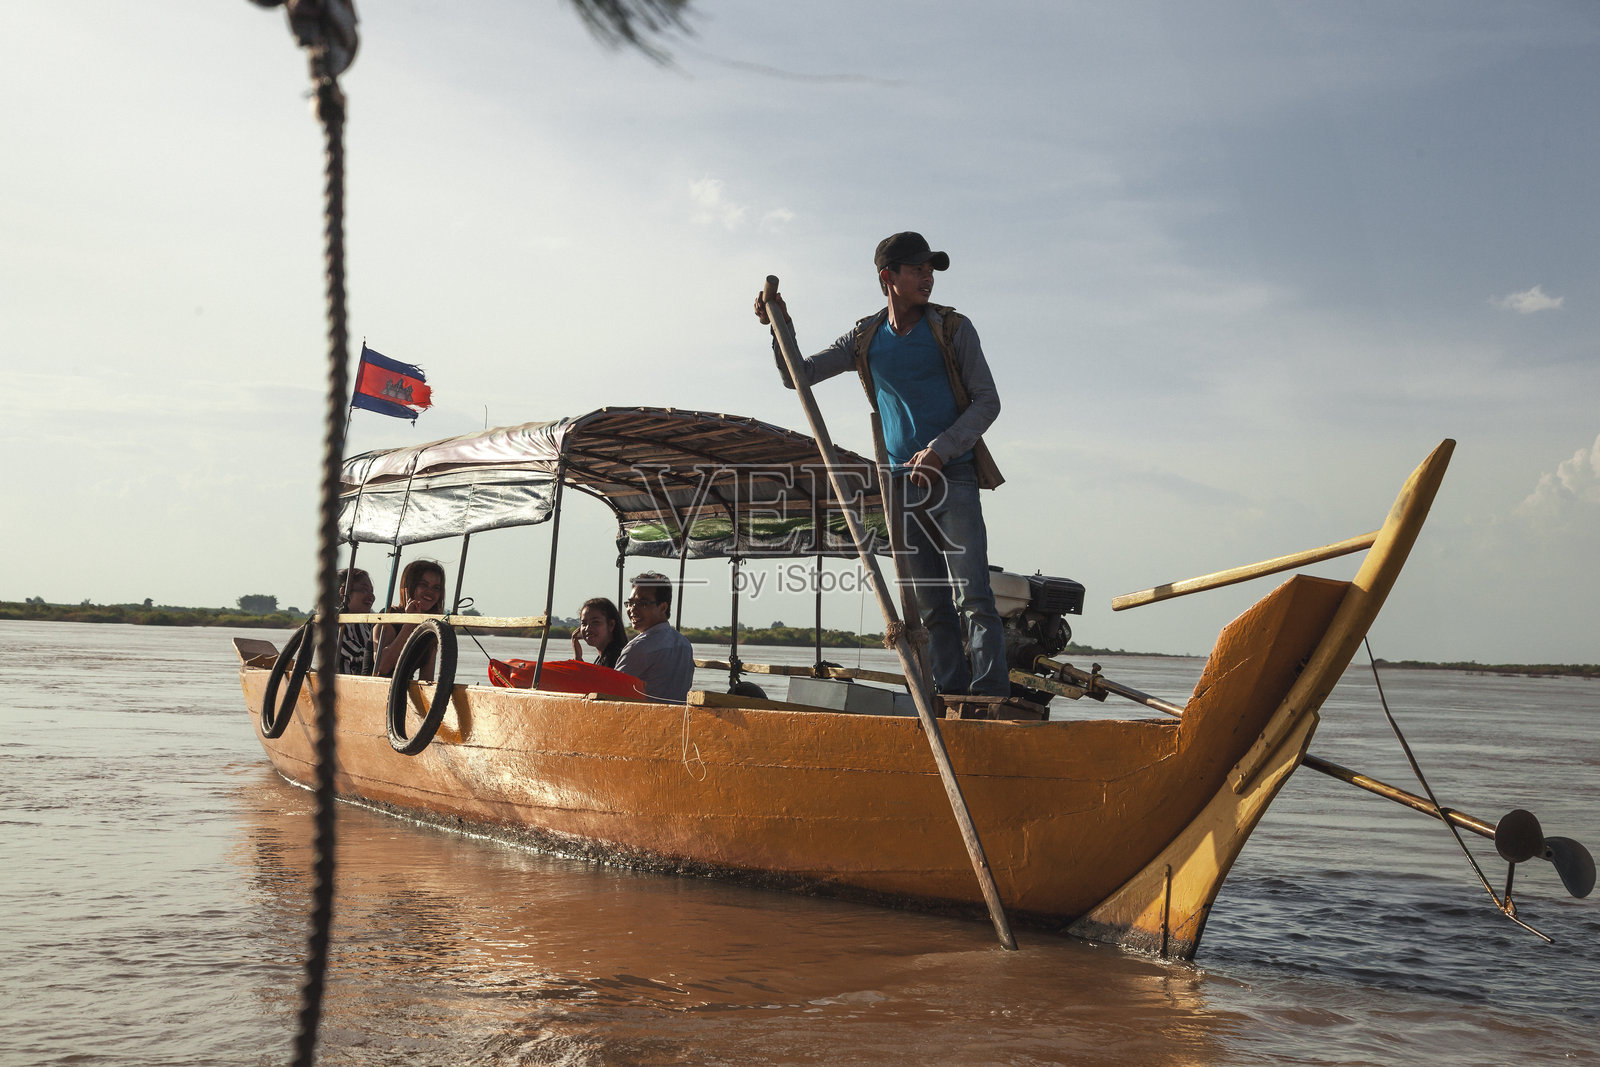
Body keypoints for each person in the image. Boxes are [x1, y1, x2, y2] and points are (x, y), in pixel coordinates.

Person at [754, 231, 1008, 697]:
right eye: (917, 270)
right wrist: (779, 325)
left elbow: (986, 401)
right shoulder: (864, 337)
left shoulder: (953, 328)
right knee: (929, 603)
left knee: (972, 593)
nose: (927, 278)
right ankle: (948, 693)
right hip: (899, 486)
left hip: (952, 474)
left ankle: (989, 694)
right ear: (888, 277)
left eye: (931, 270)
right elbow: (799, 375)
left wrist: (940, 449)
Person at [614, 572, 695, 702]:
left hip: (646, 714)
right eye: (630, 603)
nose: (632, 609)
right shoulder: (684, 644)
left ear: (663, 607)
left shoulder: (639, 647)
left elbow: (612, 690)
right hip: (679, 714)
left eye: (642, 603)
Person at [374, 559, 447, 680]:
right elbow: (382, 667)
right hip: (370, 688)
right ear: (409, 587)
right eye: (423, 585)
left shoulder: (429, 627)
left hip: (403, 690)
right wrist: (410, 623)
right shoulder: (389, 617)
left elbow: (427, 678)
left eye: (436, 588)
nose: (430, 592)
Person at [336, 567, 376, 675]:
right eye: (364, 590)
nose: (372, 596)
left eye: (372, 591)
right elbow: (358, 655)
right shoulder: (336, 623)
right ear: (344, 592)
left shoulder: (369, 623)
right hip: (345, 683)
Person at [570, 596, 628, 669]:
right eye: (584, 623)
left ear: (611, 625)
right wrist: (578, 657)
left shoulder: (617, 659)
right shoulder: (604, 658)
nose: (588, 628)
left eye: (595, 622)